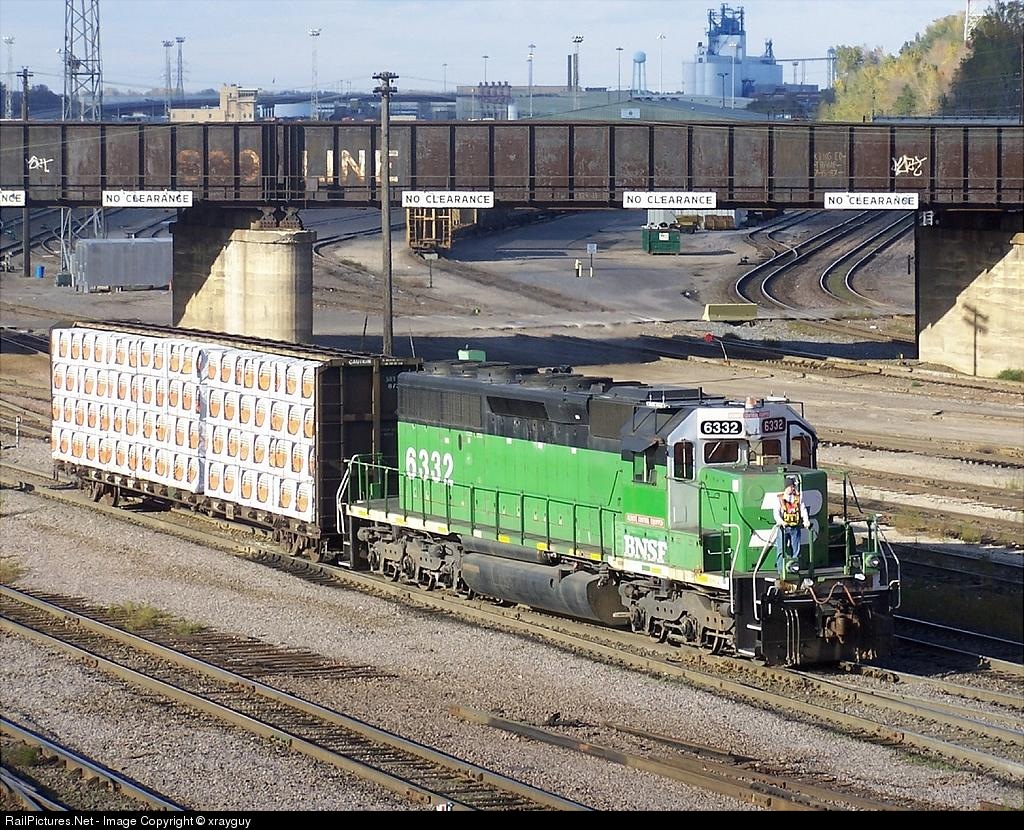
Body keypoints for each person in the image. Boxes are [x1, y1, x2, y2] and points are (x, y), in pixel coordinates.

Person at [773, 477, 810, 577]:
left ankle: (794, 569)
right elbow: (776, 513)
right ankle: (781, 570)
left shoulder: (798, 498)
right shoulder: (780, 499)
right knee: (781, 549)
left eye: (793, 486)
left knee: (796, 550)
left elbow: (803, 510)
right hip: (783, 528)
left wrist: (806, 521)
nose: (793, 488)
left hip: (795, 528)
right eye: (791, 486)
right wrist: (781, 522)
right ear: (787, 487)